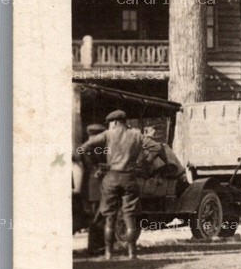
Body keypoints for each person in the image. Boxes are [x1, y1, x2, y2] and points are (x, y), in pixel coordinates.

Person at [75, 110, 183, 260]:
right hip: (129, 178)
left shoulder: (108, 134)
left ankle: (108, 253)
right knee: (130, 216)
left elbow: (85, 146)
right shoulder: (136, 135)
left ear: (115, 122)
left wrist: (88, 161)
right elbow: (157, 147)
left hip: (111, 177)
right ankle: (132, 253)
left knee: (110, 217)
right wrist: (146, 162)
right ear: (125, 121)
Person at [77, 123, 109, 256]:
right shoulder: (92, 149)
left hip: (89, 188)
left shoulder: (84, 148)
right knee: (98, 217)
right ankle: (95, 248)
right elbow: (95, 169)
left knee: (96, 218)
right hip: (94, 188)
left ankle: (96, 247)